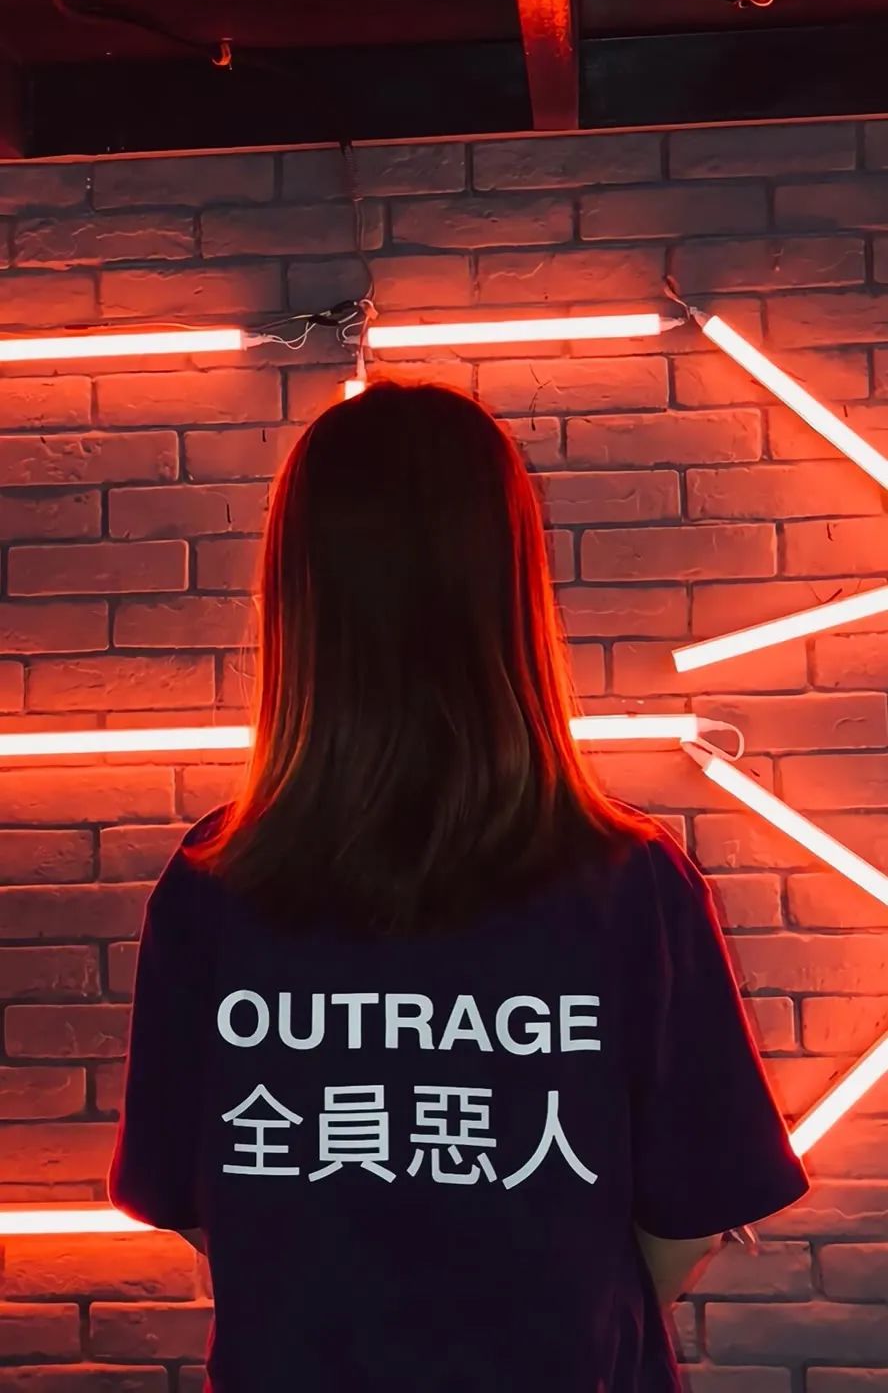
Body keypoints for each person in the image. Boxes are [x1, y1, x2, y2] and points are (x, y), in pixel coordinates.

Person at [109, 380, 808, 1392]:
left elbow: (199, 1203)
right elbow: (686, 1222)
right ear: (513, 586)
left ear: (297, 593)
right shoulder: (630, 883)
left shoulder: (214, 884)